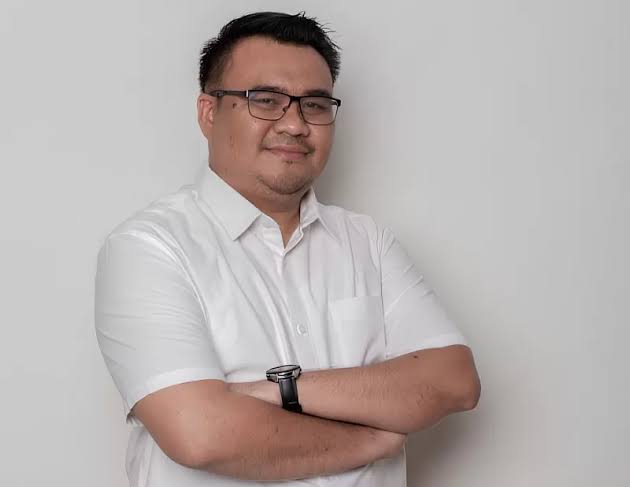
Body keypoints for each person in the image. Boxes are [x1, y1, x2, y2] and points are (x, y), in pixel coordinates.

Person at [94, 11, 481, 487]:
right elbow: (200, 434)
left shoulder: (368, 242)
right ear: (209, 113)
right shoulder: (149, 247)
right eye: (267, 101)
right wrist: (372, 441)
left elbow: (454, 382)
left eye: (314, 105)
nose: (295, 124)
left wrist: (279, 391)